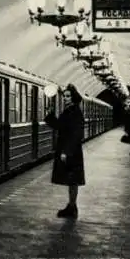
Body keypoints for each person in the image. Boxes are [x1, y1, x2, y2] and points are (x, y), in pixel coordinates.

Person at [44, 83, 85, 219]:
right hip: (70, 150)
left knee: (73, 180)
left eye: (68, 96)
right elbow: (60, 126)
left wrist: (66, 152)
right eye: (65, 96)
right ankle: (71, 206)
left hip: (71, 151)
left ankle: (72, 207)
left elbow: (76, 134)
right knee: (71, 180)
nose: (65, 98)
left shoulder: (75, 112)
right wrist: (49, 115)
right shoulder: (69, 111)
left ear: (73, 97)